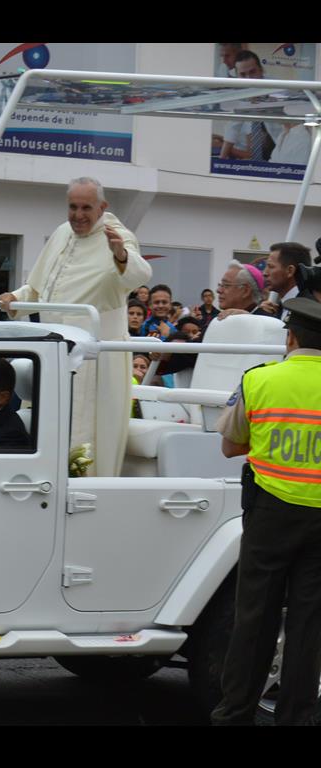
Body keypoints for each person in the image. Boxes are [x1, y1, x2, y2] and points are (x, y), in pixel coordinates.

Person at [210, 297, 321, 726]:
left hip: (270, 511)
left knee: (255, 617)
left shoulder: (259, 379)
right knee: (310, 625)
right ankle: (297, 717)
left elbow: (230, 446)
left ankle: (235, 713)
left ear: (291, 338)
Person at [0, 177, 151, 476]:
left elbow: (139, 274)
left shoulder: (118, 235)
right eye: (73, 207)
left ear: (102, 207)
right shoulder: (61, 233)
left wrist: (120, 255)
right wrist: (15, 298)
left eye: (86, 208)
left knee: (82, 431)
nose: (78, 215)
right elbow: (40, 287)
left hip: (94, 355)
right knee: (45, 423)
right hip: (52, 349)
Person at [218, 51, 277, 162]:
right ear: (237, 76)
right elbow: (233, 127)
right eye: (243, 75)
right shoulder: (240, 93)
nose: (249, 78)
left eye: (252, 72)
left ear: (261, 70)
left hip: (286, 146)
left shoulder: (277, 88)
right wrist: (221, 160)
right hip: (268, 154)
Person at [260, 241, 311, 320]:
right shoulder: (281, 307)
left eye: (271, 266)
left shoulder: (306, 310)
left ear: (290, 271)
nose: (264, 273)